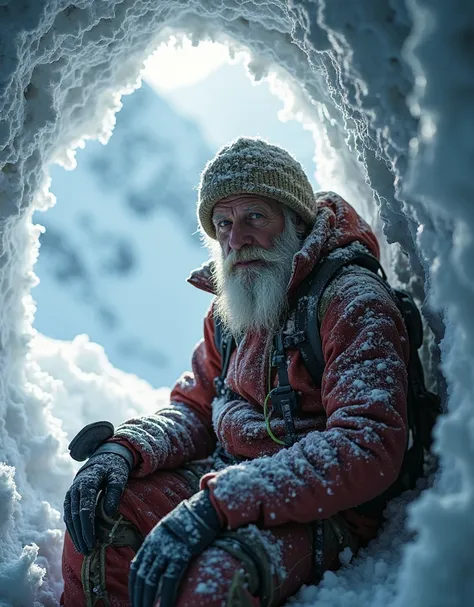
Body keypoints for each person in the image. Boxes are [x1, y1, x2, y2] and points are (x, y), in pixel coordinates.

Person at [61, 137, 409, 607]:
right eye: (224, 223)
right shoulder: (232, 309)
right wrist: (125, 449)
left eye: (255, 217)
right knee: (104, 519)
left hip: (322, 508)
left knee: (212, 581)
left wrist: (224, 502)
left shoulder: (352, 301)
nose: (236, 239)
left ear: (297, 220)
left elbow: (367, 444)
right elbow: (197, 409)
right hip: (226, 480)